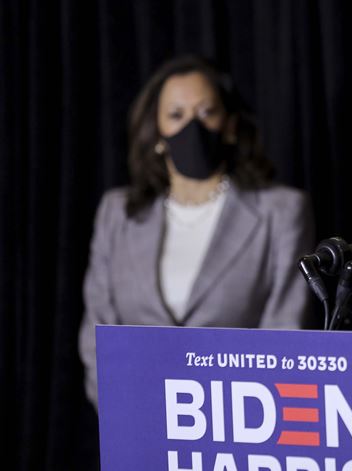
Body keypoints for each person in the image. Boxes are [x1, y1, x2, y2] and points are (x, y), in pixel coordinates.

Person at [79, 55, 315, 408]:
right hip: (137, 419)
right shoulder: (118, 212)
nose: (192, 127)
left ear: (231, 125)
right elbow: (97, 332)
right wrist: (125, 412)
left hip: (237, 426)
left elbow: (285, 333)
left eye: (206, 113)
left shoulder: (281, 211)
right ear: (157, 133)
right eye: (176, 115)